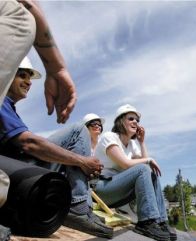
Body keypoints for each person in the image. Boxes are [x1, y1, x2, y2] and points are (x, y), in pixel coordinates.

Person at [0, 57, 113, 239]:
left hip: (14, 178)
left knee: (64, 156)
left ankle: (79, 206)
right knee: (77, 131)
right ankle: (79, 207)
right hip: (10, 180)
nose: (29, 82)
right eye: (22, 76)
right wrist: (81, 161)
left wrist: (74, 163)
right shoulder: (1, 102)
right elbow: (30, 143)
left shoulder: (10, 108)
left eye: (29, 78)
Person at [94, 104, 176, 241]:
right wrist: (149, 160)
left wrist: (142, 142)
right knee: (143, 169)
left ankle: (160, 222)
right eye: (131, 118)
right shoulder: (109, 137)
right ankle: (146, 222)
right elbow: (126, 164)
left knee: (151, 174)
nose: (135, 122)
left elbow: (145, 166)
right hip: (102, 189)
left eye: (137, 120)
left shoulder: (132, 145)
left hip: (118, 190)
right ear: (121, 121)